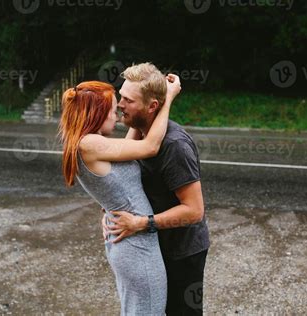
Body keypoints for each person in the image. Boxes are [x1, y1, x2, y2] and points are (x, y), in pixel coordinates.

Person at [58, 75, 181, 315]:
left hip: (128, 241)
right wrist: (167, 100)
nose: (118, 115)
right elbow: (150, 147)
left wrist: (146, 105)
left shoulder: (87, 142)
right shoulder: (90, 144)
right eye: (113, 111)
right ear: (97, 114)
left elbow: (128, 152)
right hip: (137, 246)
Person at [103, 62, 210, 315]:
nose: (119, 105)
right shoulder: (140, 134)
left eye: (128, 101)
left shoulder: (175, 146)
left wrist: (141, 224)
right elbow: (121, 173)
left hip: (182, 252)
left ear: (152, 107)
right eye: (121, 97)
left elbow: (194, 211)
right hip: (155, 244)